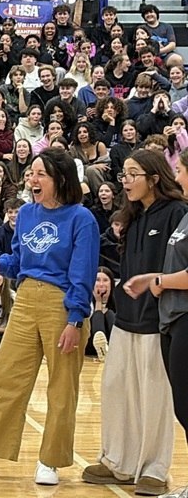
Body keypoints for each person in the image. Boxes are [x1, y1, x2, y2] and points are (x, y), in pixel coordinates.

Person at [0, 148, 99, 487]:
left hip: (62, 303)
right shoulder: (26, 214)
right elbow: (19, 261)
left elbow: (83, 272)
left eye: (40, 173)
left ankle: (50, 461)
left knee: (61, 387)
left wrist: (75, 319)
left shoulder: (81, 218)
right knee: (6, 378)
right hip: (24, 299)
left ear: (60, 178)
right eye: (31, 173)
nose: (32, 179)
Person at [107, 149, 188, 497]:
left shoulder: (176, 212)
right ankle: (119, 461)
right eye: (123, 175)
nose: (125, 181)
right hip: (125, 317)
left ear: (154, 178)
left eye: (132, 174)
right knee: (117, 390)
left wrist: (158, 287)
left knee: (155, 398)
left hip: (160, 320)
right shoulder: (132, 216)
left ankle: (154, 467)